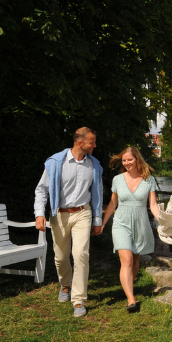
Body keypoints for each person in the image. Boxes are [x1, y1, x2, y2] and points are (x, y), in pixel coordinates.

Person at [35, 127, 104, 318]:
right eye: (92, 142)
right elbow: (42, 190)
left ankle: (79, 300)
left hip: (83, 213)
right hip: (59, 214)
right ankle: (65, 284)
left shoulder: (94, 166)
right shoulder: (56, 162)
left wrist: (97, 220)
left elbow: (98, 195)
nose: (95, 145)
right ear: (80, 142)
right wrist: (39, 214)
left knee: (81, 254)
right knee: (60, 257)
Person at [101, 146, 160, 313]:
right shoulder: (118, 180)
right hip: (121, 223)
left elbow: (153, 205)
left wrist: (162, 221)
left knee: (134, 260)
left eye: (130, 160)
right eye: (124, 160)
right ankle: (131, 299)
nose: (127, 163)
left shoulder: (148, 179)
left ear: (137, 160)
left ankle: (130, 283)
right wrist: (103, 223)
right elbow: (113, 204)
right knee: (126, 260)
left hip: (140, 223)